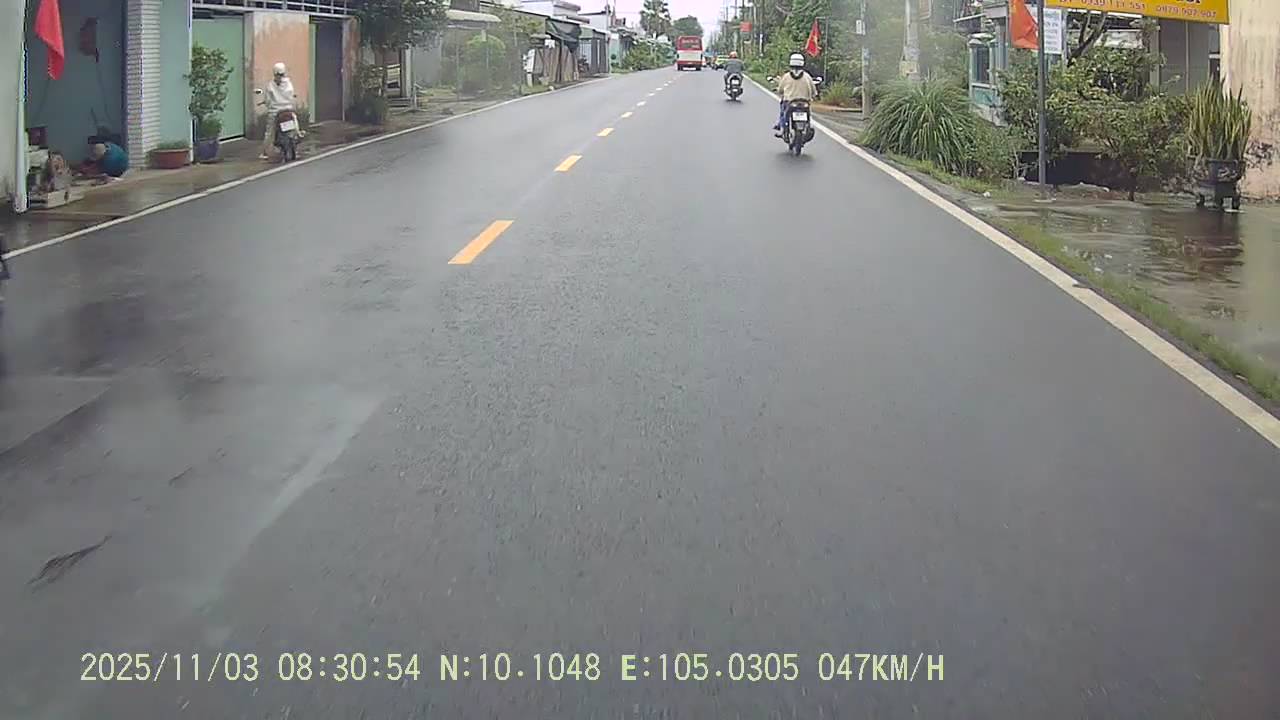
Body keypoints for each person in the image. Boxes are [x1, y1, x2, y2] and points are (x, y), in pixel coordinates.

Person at [772, 53, 818, 137]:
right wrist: (814, 95)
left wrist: (779, 91)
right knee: (809, 115)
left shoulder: (786, 76)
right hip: (804, 102)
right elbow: (813, 90)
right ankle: (808, 126)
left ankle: (782, 127)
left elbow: (780, 89)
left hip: (790, 101)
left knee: (783, 111)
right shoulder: (807, 76)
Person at [261, 62, 297, 160]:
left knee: (269, 132)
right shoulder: (289, 84)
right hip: (288, 110)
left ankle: (265, 152)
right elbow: (292, 96)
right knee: (294, 128)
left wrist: (269, 105)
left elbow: (268, 100)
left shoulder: (271, 85)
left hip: (275, 112)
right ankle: (296, 139)